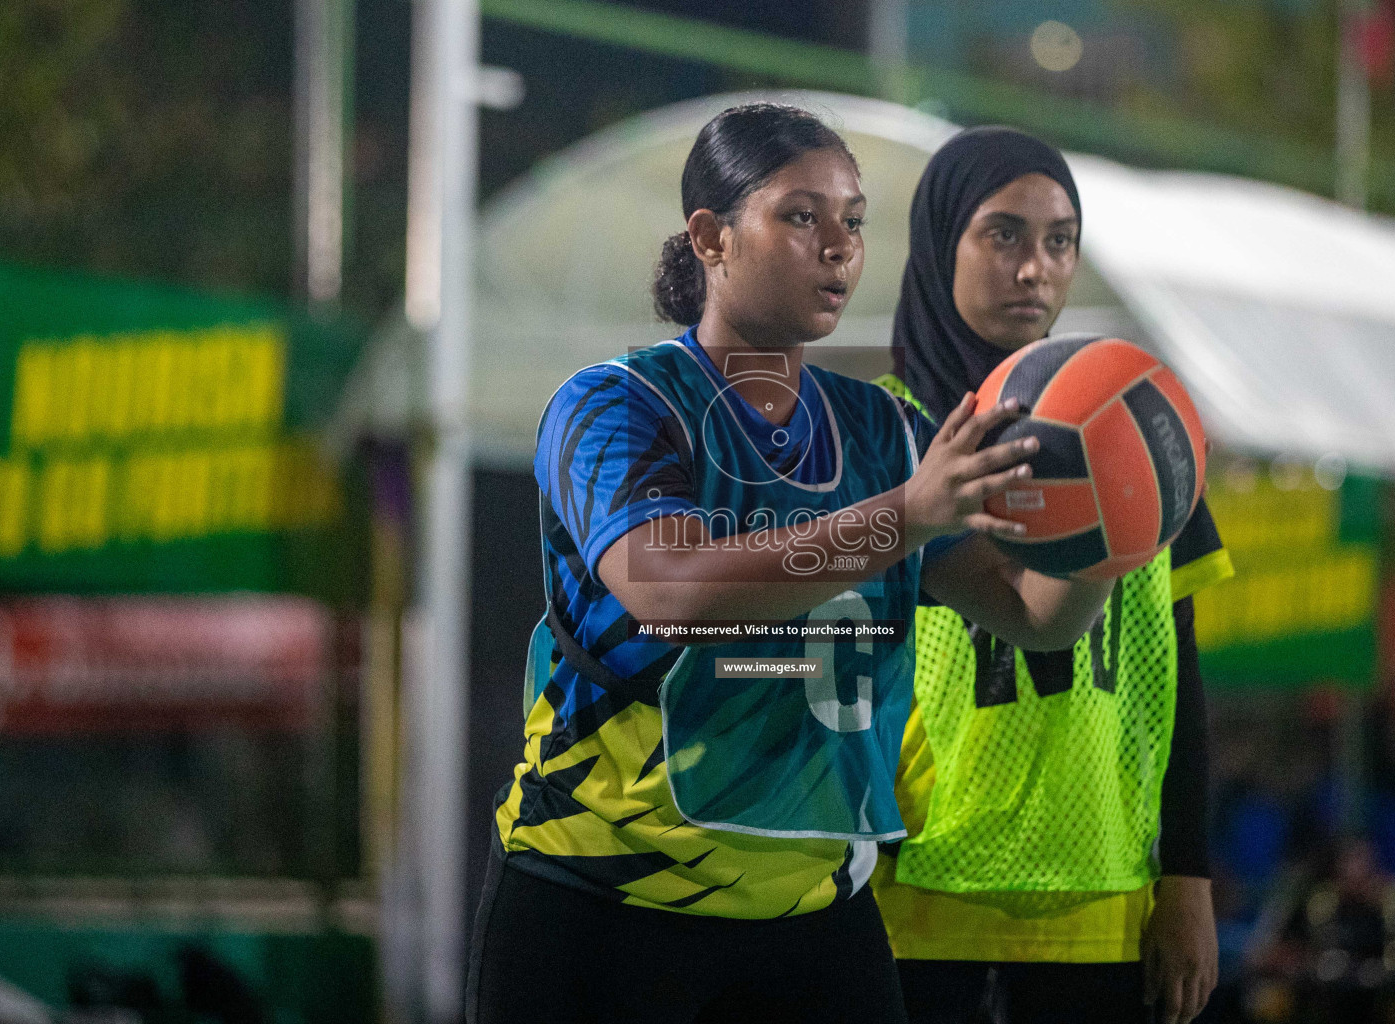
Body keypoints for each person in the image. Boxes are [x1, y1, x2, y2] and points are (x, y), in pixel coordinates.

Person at [466, 105, 1118, 1024]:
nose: (839, 248)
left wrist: (1115, 526)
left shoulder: (884, 431)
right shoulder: (617, 407)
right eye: (802, 216)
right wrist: (903, 516)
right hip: (601, 903)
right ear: (711, 237)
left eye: (853, 221)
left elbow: (1033, 613)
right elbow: (669, 592)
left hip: (813, 917)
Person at [868, 128, 1234, 1024]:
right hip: (912, 891)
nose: (1035, 267)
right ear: (939, 241)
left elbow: (1180, 674)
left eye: (1059, 241)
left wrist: (1186, 875)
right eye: (1003, 235)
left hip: (1101, 895)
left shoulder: (1141, 437)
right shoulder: (879, 437)